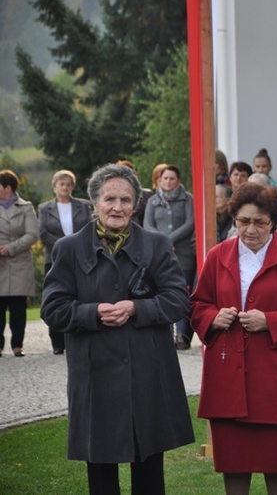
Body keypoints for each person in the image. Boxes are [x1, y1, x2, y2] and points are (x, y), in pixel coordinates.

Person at [40, 163, 194, 494]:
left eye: (126, 200)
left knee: (149, 473)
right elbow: (52, 309)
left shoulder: (156, 244)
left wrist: (138, 307)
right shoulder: (68, 249)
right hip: (94, 375)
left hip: (147, 373)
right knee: (101, 476)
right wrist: (91, 312)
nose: (117, 207)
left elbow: (179, 301)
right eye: (109, 199)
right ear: (94, 203)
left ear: (136, 203)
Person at [190, 183, 277, 495]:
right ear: (234, 220)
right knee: (233, 464)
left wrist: (269, 320)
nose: (251, 230)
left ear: (274, 222)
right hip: (227, 378)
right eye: (244, 221)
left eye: (260, 222)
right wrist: (213, 318)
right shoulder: (218, 256)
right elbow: (198, 304)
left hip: (276, 379)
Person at [38, 170, 92, 354]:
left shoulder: (83, 206)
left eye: (68, 184)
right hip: (55, 257)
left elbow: (89, 227)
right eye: (61, 184)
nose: (65, 187)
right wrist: (65, 246)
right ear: (55, 187)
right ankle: (58, 343)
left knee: (81, 296)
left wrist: (76, 246)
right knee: (57, 297)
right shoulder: (45, 208)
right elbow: (43, 233)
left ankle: (78, 335)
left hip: (82, 256)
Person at [144, 165, 197, 350]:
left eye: (172, 178)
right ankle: (165, 335)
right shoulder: (152, 201)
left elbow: (191, 222)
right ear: (159, 180)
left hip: (183, 254)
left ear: (178, 181)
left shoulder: (187, 199)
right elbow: (147, 225)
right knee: (162, 292)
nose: (168, 182)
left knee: (182, 292)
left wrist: (170, 239)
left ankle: (182, 334)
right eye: (165, 178)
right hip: (159, 255)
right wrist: (163, 242)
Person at [0, 169, 39, 358]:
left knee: (17, 307)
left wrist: (10, 248)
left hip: (19, 262)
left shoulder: (26, 207)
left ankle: (17, 345)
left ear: (7, 188)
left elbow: (32, 234)